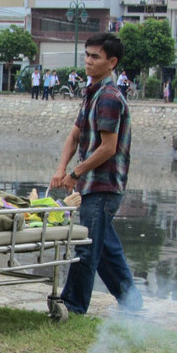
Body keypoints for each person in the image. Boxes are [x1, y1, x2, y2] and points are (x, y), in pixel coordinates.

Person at [49, 32, 143, 315]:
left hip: (104, 186)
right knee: (106, 250)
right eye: (87, 55)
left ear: (112, 62)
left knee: (87, 247)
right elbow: (74, 136)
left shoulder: (110, 97)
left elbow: (108, 148)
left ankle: (73, 305)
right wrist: (60, 169)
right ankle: (132, 302)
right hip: (91, 185)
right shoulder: (92, 93)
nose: (88, 61)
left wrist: (75, 173)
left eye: (95, 56)